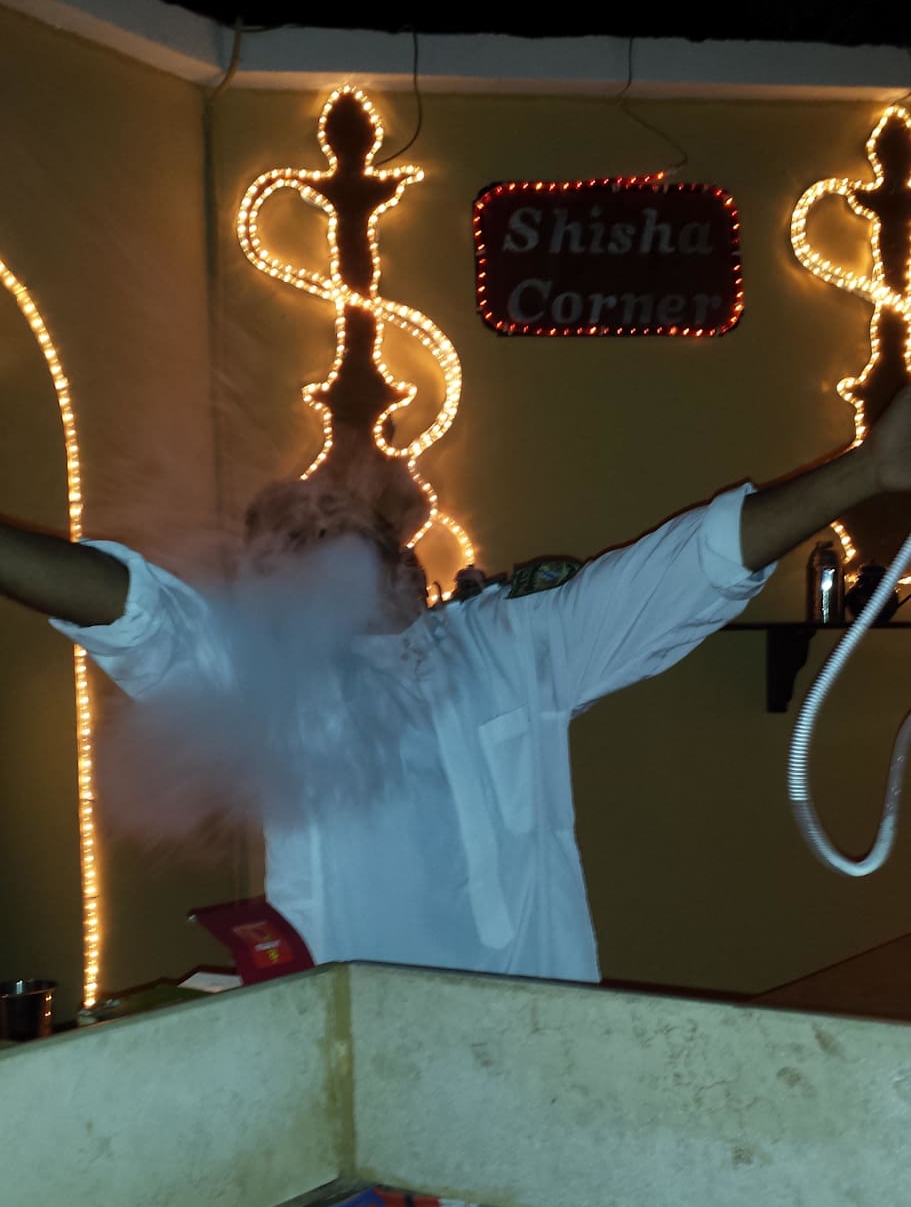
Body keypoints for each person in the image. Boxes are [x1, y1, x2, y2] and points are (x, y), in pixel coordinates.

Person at [4, 387, 911, 983]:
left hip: (540, 1047)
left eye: (353, 533)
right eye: (303, 545)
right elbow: (141, 615)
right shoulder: (273, 683)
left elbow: (683, 569)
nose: (337, 553)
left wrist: (867, 470)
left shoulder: (510, 643)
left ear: (409, 563)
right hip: (364, 1071)